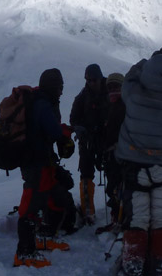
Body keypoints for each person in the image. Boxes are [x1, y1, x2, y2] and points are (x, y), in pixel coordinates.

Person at [115, 49, 162, 276]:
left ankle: (133, 262)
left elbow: (129, 77)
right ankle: (159, 260)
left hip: (133, 166)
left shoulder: (133, 94)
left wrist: (145, 62)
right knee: (161, 216)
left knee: (137, 216)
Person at [14, 68, 77, 268]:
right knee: (31, 207)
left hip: (44, 163)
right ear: (52, 87)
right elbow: (53, 130)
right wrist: (69, 130)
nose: (61, 91)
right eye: (59, 87)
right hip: (35, 163)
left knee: (57, 197)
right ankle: (24, 254)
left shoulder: (42, 101)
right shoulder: (42, 104)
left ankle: (43, 237)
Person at [69, 63, 109, 224]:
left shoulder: (110, 91)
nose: (91, 83)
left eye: (93, 80)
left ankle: (116, 205)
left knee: (113, 172)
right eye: (88, 80)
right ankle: (87, 210)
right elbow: (73, 119)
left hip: (107, 140)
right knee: (86, 173)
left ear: (100, 78)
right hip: (88, 141)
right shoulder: (82, 97)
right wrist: (79, 129)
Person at [99, 71, 126, 229]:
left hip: (119, 154)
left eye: (116, 86)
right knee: (115, 187)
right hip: (112, 154)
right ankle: (119, 216)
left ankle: (120, 217)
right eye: (110, 87)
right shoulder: (113, 105)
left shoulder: (121, 106)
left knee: (117, 186)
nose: (113, 90)